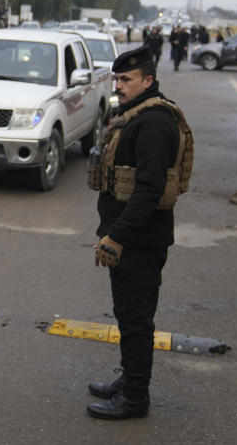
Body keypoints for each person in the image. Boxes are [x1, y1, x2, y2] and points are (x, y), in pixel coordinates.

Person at [85, 45, 192, 421]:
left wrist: (117, 238)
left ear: (148, 80)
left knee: (135, 319)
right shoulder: (133, 114)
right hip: (133, 237)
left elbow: (148, 189)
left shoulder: (153, 123)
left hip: (139, 241)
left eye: (126, 79)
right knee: (129, 313)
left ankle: (134, 398)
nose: (119, 85)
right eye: (117, 78)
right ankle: (130, 380)